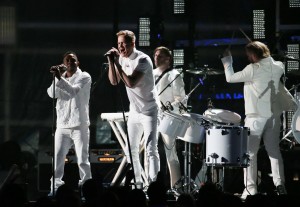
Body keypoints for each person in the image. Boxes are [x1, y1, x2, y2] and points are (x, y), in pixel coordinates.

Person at [220, 41, 296, 199]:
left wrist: (228, 60)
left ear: (254, 54)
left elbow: (230, 78)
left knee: (250, 153)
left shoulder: (252, 69)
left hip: (255, 117)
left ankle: (250, 189)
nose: (248, 58)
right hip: (274, 117)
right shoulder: (278, 67)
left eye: (249, 55)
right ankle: (280, 184)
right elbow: (276, 63)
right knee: (274, 151)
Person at [105, 30, 160, 186]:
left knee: (151, 149)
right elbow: (114, 81)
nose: (121, 47)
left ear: (132, 43)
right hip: (134, 111)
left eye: (124, 43)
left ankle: (153, 184)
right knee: (131, 150)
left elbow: (130, 82)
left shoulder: (143, 60)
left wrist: (116, 62)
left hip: (149, 110)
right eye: (119, 44)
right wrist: (112, 62)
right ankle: (137, 183)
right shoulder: (121, 59)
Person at [47, 51, 92, 196]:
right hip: (62, 125)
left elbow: (72, 91)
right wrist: (56, 78)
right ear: (64, 63)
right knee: (58, 158)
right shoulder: (61, 78)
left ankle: (87, 189)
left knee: (83, 160)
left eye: (73, 60)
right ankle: (55, 188)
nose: (70, 63)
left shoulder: (84, 76)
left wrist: (59, 78)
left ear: (77, 63)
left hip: (80, 125)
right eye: (67, 60)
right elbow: (51, 93)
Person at [153, 46, 186, 189]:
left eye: (160, 56)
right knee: (150, 151)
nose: (156, 58)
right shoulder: (151, 73)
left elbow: (181, 99)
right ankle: (151, 184)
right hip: (152, 116)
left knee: (170, 153)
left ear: (168, 59)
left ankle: (176, 187)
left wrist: (169, 107)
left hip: (168, 117)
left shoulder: (174, 74)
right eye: (155, 55)